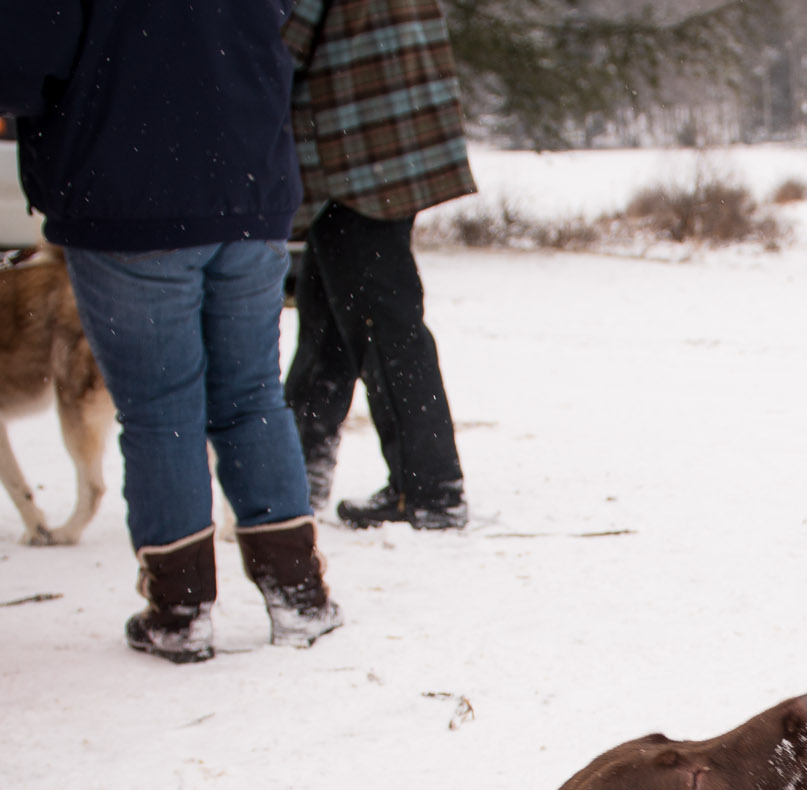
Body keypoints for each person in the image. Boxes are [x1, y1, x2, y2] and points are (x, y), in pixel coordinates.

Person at [2, 0, 341, 664]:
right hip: (249, 188)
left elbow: (24, 63)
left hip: (128, 196)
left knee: (163, 410)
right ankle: (298, 591)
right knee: (251, 397)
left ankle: (181, 609)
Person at [283, 0, 477, 531]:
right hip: (385, 131)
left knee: (382, 322)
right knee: (329, 319)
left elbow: (283, 35)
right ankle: (295, 474)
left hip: (355, 143)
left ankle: (429, 489)